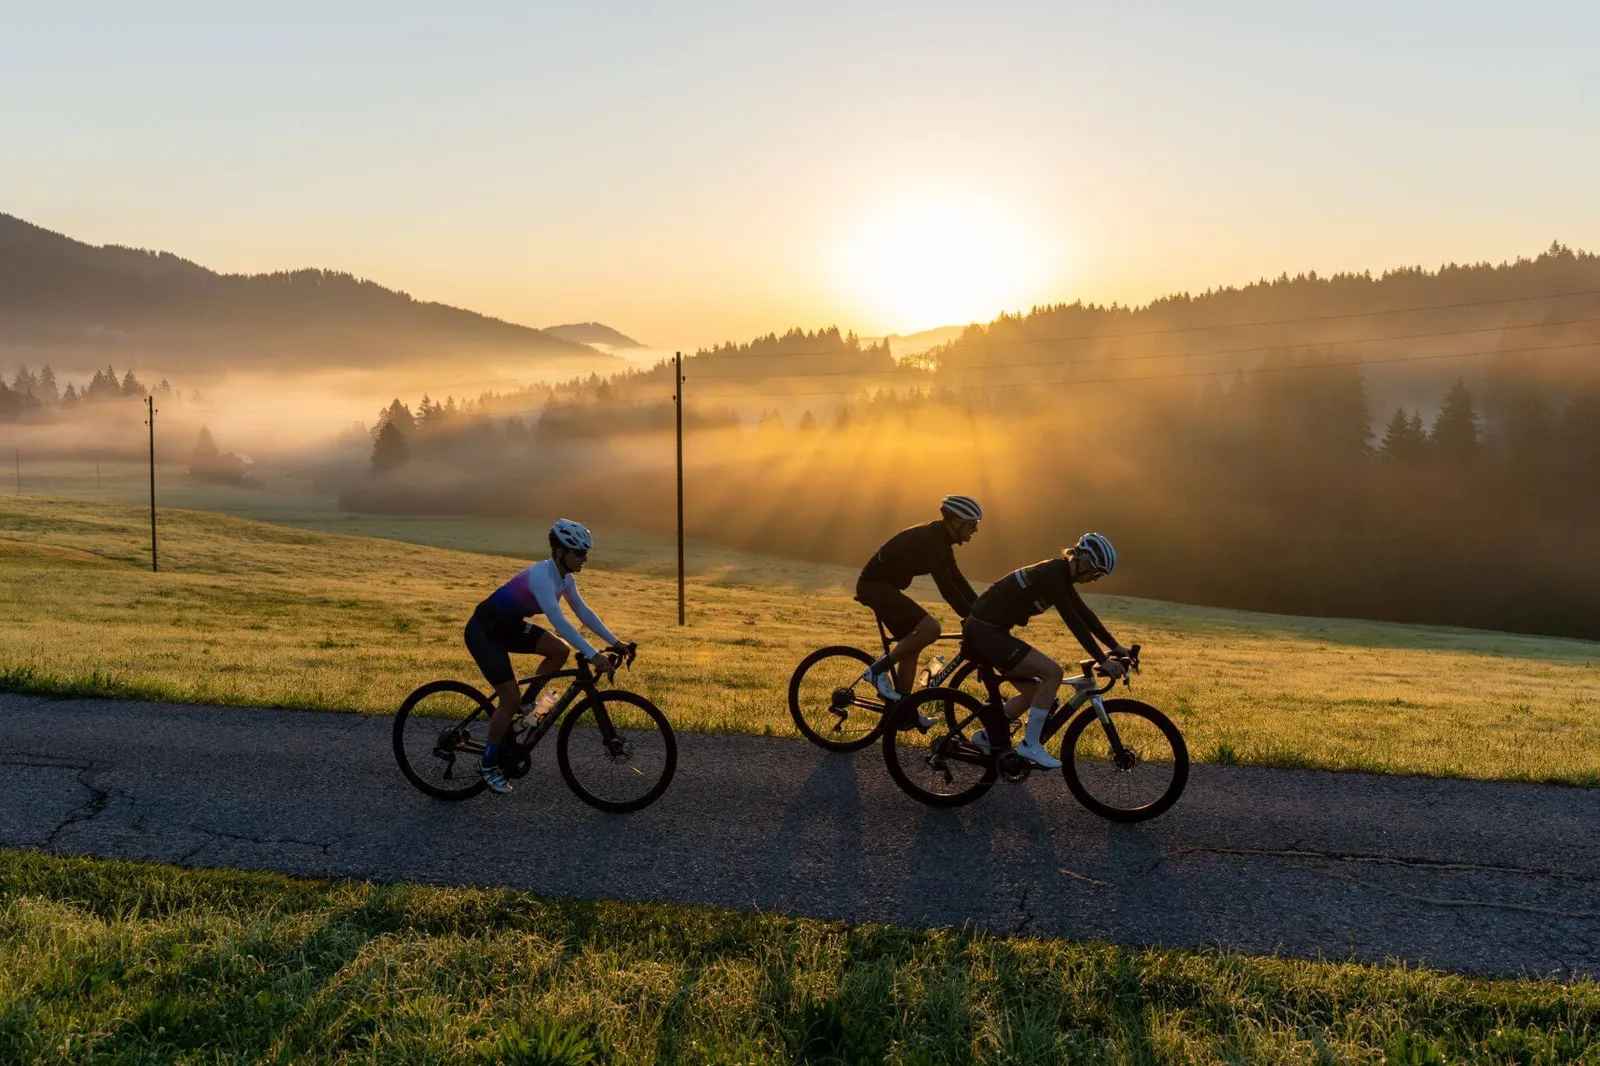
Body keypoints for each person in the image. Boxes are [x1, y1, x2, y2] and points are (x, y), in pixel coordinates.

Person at [463, 518, 629, 795]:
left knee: (559, 651)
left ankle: (527, 705)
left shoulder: (566, 578)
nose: (585, 558)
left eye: (586, 552)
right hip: (485, 631)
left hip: (511, 626)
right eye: (580, 553)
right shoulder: (541, 577)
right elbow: (561, 623)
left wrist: (615, 641)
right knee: (508, 696)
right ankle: (488, 763)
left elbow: (583, 613)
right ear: (561, 552)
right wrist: (591, 654)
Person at [959, 532, 1133, 769]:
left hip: (991, 632)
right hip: (986, 633)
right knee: (1053, 673)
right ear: (1084, 562)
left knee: (1035, 693)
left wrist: (1115, 646)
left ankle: (986, 737)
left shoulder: (1061, 575)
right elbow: (1073, 620)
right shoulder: (1054, 574)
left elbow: (1085, 615)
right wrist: (1101, 659)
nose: (1095, 579)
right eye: (1097, 572)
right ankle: (1030, 745)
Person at [855, 495, 983, 704]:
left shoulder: (941, 541)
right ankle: (877, 671)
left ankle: (903, 709)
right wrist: (973, 617)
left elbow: (958, 581)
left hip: (884, 588)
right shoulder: (930, 541)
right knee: (931, 629)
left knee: (911, 646)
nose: (976, 529)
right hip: (874, 587)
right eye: (972, 524)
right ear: (957, 522)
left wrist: (982, 610)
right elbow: (948, 589)